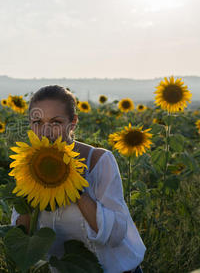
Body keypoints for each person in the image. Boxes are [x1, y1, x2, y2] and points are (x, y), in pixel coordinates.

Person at [10, 85, 145, 273]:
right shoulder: (28, 164)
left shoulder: (98, 161)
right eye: (37, 122)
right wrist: (29, 189)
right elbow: (23, 233)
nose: (45, 132)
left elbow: (115, 235)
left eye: (55, 122)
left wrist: (75, 185)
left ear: (72, 123)